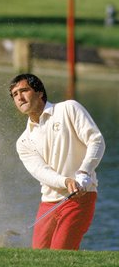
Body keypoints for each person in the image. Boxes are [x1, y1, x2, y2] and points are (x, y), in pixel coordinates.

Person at [9, 73, 105, 250]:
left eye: (24, 91)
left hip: (79, 197)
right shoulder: (23, 141)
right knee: (40, 258)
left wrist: (84, 171)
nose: (19, 98)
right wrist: (66, 181)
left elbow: (96, 141)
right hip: (48, 203)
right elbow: (40, 171)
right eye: (15, 95)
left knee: (61, 252)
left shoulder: (69, 109)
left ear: (39, 93)